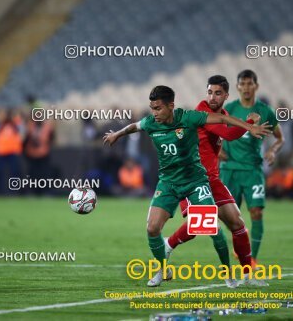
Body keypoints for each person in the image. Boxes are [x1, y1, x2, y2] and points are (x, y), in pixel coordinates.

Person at [103, 85, 271, 287]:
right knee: (152, 228)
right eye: (152, 108)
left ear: (171, 106)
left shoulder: (189, 118)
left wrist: (249, 126)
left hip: (195, 182)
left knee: (213, 230)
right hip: (168, 182)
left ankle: (228, 274)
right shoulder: (150, 122)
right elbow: (133, 126)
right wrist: (116, 135)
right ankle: (163, 269)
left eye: (158, 108)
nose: (154, 113)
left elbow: (223, 119)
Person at [165, 75, 267, 287]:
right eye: (210, 92)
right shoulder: (203, 110)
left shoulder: (225, 114)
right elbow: (228, 134)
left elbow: (220, 136)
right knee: (200, 225)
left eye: (217, 93)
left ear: (226, 95)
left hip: (211, 179)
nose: (212, 97)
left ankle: (247, 277)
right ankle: (167, 245)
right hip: (191, 178)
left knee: (237, 224)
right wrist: (249, 123)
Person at [219, 70, 284, 269]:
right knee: (229, 218)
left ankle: (252, 260)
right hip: (229, 169)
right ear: (237, 87)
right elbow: (213, 132)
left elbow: (280, 138)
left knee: (256, 212)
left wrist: (273, 151)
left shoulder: (265, 111)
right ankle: (241, 245)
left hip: (253, 170)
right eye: (242, 84)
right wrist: (217, 150)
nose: (246, 88)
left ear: (256, 86)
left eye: (249, 84)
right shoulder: (228, 109)